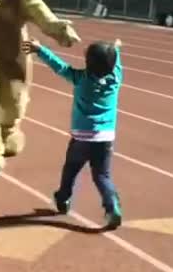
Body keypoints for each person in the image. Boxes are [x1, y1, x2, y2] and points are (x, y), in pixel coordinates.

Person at [22, 38, 124, 229]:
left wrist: (39, 49)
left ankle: (63, 198)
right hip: (105, 137)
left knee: (71, 169)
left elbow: (59, 66)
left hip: (81, 138)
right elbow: (114, 61)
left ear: (88, 62)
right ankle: (112, 207)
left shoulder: (81, 78)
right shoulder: (116, 77)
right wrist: (115, 49)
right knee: (102, 176)